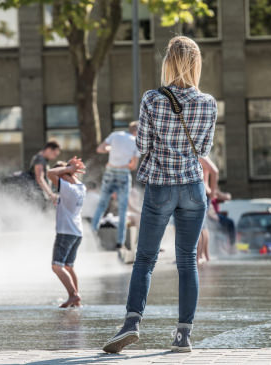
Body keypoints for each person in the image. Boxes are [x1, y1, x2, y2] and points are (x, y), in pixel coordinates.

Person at [103, 36, 217, 354]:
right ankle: (183, 336)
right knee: (187, 262)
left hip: (161, 186)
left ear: (168, 62)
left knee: (145, 259)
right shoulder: (208, 103)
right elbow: (204, 150)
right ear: (196, 64)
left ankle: (131, 323)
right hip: (193, 187)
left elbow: (143, 146)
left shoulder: (153, 99)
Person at [92, 122, 141, 249]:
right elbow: (133, 166)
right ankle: (120, 242)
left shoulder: (115, 135)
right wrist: (124, 164)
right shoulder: (136, 142)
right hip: (123, 174)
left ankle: (92, 235)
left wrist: (111, 149)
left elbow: (100, 149)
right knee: (123, 208)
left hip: (110, 171)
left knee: (101, 205)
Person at [46, 158, 87, 308]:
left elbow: (50, 173)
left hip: (66, 232)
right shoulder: (81, 187)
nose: (57, 180)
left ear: (65, 175)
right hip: (77, 232)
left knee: (57, 266)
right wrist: (70, 168)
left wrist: (66, 169)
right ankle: (77, 300)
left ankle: (73, 295)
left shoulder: (68, 188)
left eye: (61, 175)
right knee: (69, 266)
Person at [28, 141, 61, 206]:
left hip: (39, 195)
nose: (55, 157)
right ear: (49, 149)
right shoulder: (40, 159)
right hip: (37, 196)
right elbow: (39, 178)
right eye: (55, 154)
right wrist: (51, 194)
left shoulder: (41, 159)